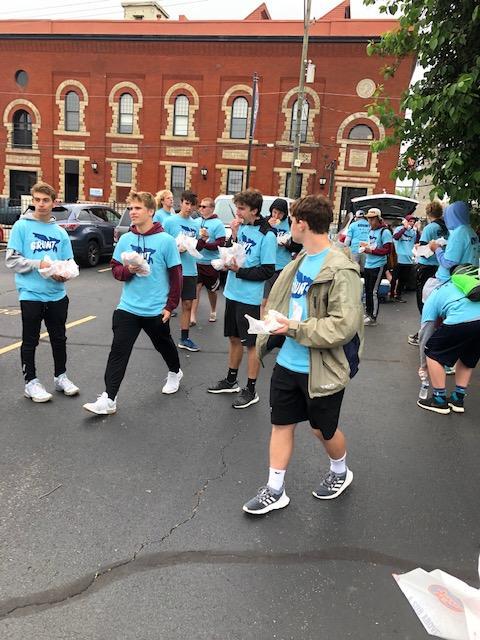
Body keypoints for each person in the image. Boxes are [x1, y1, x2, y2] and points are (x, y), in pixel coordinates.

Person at [242, 195, 363, 515]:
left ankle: (340, 471)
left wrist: (293, 327)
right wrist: (274, 321)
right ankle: (274, 489)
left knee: (322, 429)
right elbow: (289, 304)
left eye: (292, 220)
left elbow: (343, 326)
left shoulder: (341, 269)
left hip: (321, 367)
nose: (287, 226)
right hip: (288, 362)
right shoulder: (299, 261)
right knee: (281, 424)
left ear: (302, 224)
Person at [83, 191, 182, 415]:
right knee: (119, 351)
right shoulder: (126, 239)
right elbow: (115, 270)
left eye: (137, 208)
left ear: (150, 211)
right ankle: (109, 398)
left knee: (163, 344)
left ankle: (175, 371)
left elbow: (176, 276)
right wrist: (128, 270)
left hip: (155, 309)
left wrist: (170, 306)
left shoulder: (166, 241)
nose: (132, 212)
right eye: (130, 208)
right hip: (128, 307)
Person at [5, 181, 79, 402]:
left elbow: (68, 261)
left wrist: (64, 273)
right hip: (31, 294)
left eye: (45, 200)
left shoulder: (60, 232)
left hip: (57, 294)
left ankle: (61, 377)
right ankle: (31, 383)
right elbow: (12, 260)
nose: (41, 204)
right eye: (37, 200)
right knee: (30, 340)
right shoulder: (21, 227)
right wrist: (40, 264)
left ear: (53, 202)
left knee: (59, 338)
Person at [207, 188, 276, 409]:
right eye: (237, 207)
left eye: (241, 208)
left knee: (252, 344)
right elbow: (230, 252)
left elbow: (267, 270)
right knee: (234, 338)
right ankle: (231, 381)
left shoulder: (268, 235)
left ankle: (251, 389)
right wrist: (234, 235)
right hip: (232, 293)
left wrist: (239, 271)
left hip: (250, 298)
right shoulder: (242, 227)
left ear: (254, 210)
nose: (237, 212)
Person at [417, 276, 480, 414]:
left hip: (461, 317)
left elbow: (425, 333)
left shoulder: (432, 298)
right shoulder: (459, 285)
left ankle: (439, 400)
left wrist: (423, 365)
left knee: (433, 352)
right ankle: (458, 399)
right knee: (467, 357)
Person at [163, 190, 201, 352]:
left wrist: (201, 241)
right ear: (181, 203)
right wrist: (175, 249)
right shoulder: (169, 222)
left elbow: (196, 246)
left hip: (190, 269)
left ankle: (184, 339)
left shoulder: (196, 224)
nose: (189, 207)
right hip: (172, 269)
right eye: (187, 203)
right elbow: (161, 244)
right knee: (166, 305)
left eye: (192, 205)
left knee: (187, 304)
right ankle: (162, 337)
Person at [407, 201, 447, 346]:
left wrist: (418, 248)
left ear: (428, 213)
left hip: (427, 268)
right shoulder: (446, 228)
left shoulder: (430, 228)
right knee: (437, 302)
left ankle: (424, 334)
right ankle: (434, 332)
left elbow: (425, 250)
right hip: (441, 268)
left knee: (423, 302)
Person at [190, 197, 226, 326]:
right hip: (196, 262)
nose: (201, 209)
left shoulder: (218, 224)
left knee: (212, 290)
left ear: (211, 208)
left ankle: (213, 310)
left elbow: (220, 243)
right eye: (200, 206)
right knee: (196, 288)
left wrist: (205, 243)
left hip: (211, 263)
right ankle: (192, 316)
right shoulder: (196, 222)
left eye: (204, 207)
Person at [261, 198, 301, 313]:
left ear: (285, 213)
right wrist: (267, 226)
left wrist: (288, 245)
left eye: (280, 213)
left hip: (284, 266)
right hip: (268, 265)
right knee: (264, 300)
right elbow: (259, 239)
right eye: (274, 212)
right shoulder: (266, 221)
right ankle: (262, 322)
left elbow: (298, 246)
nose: (276, 216)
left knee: (280, 300)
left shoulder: (290, 223)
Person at [430, 201, 479, 283]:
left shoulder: (458, 233)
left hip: (450, 280)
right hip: (469, 277)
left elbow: (448, 262)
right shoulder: (471, 231)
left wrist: (436, 249)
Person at [360, 207, 393, 326]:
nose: (370, 221)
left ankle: (373, 316)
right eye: (369, 219)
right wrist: (365, 247)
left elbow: (387, 249)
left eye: (372, 219)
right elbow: (371, 245)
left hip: (378, 264)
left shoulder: (385, 232)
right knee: (367, 290)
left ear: (378, 219)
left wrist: (371, 251)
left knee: (373, 291)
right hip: (368, 263)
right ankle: (368, 312)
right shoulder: (370, 231)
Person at [390, 214, 419, 302]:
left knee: (403, 279)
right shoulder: (399, 229)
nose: (412, 223)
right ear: (406, 222)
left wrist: (417, 230)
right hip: (399, 257)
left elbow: (417, 242)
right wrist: (405, 228)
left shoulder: (413, 231)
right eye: (410, 221)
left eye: (413, 222)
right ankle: (391, 294)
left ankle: (398, 295)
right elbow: (396, 237)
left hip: (409, 258)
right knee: (394, 278)